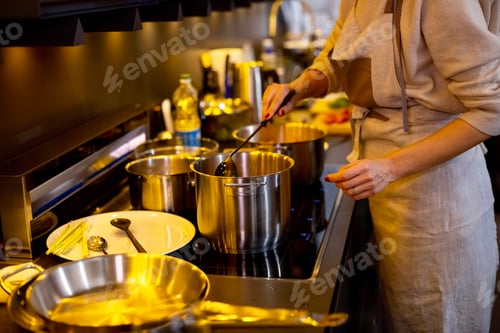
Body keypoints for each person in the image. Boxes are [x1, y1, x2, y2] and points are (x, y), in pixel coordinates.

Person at [262, 0, 500, 331]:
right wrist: (298, 88)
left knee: (436, 316)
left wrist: (389, 168)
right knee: (402, 314)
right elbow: (337, 57)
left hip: (439, 205)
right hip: (386, 197)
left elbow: (493, 108)